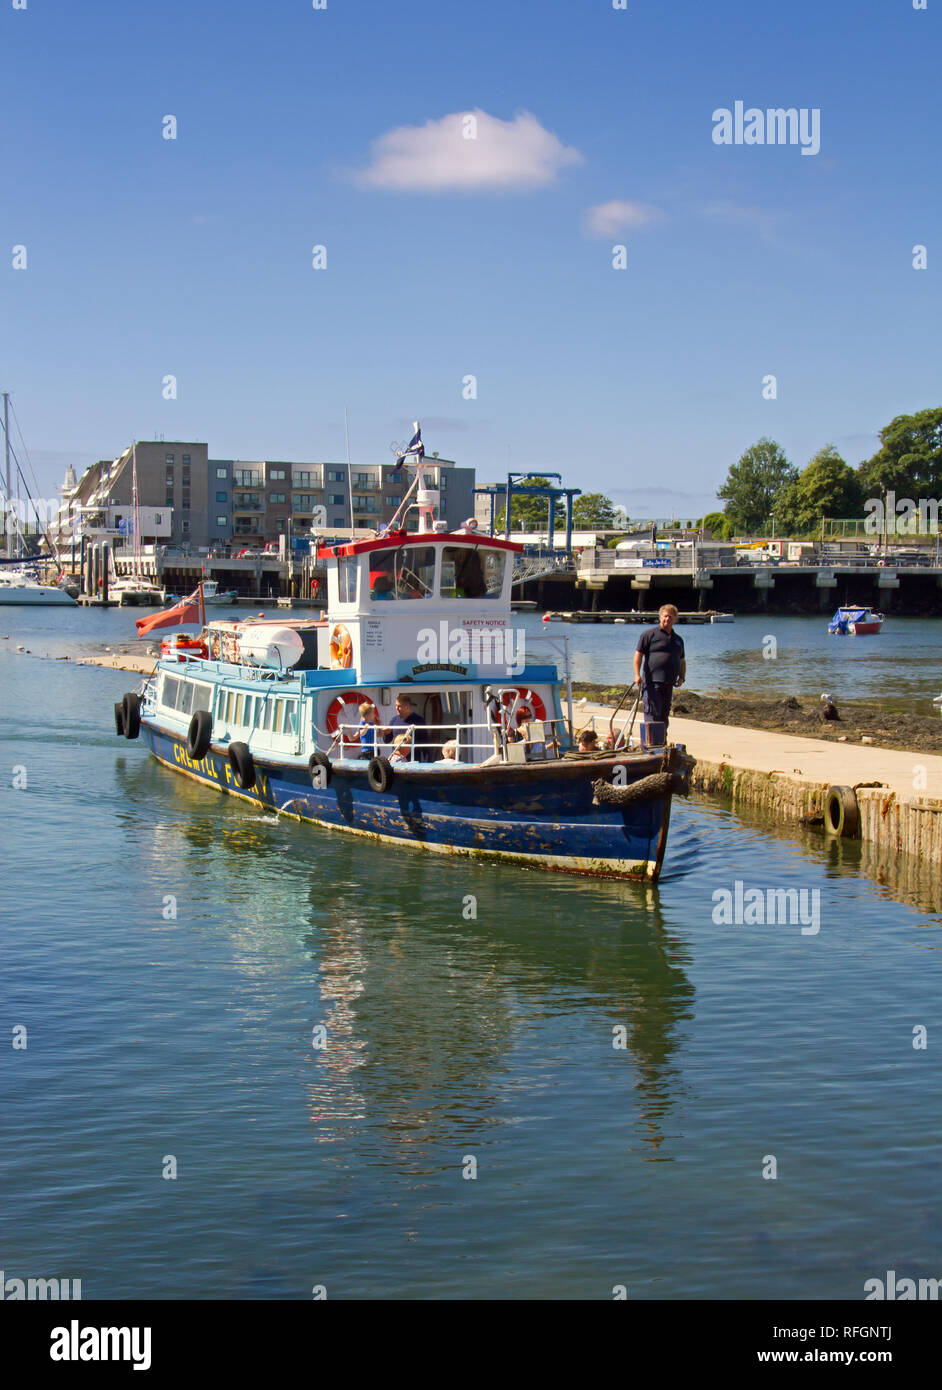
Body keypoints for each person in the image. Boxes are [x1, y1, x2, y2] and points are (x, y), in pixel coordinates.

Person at [633, 603, 685, 732]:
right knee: (652, 715)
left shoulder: (678, 639)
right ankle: (651, 746)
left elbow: (682, 660)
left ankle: (662, 743)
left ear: (675, 619)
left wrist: (682, 677)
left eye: (671, 617)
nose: (668, 619)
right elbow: (638, 656)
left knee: (664, 716)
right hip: (652, 683)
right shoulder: (649, 635)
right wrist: (637, 675)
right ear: (660, 617)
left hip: (669, 683)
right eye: (665, 616)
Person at [380, 693, 428, 761]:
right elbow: (386, 740)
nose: (397, 708)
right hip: (396, 760)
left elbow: (425, 743)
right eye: (396, 705)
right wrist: (386, 733)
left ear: (407, 706)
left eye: (399, 706)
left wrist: (427, 762)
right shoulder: (394, 720)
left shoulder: (419, 720)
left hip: (413, 760)